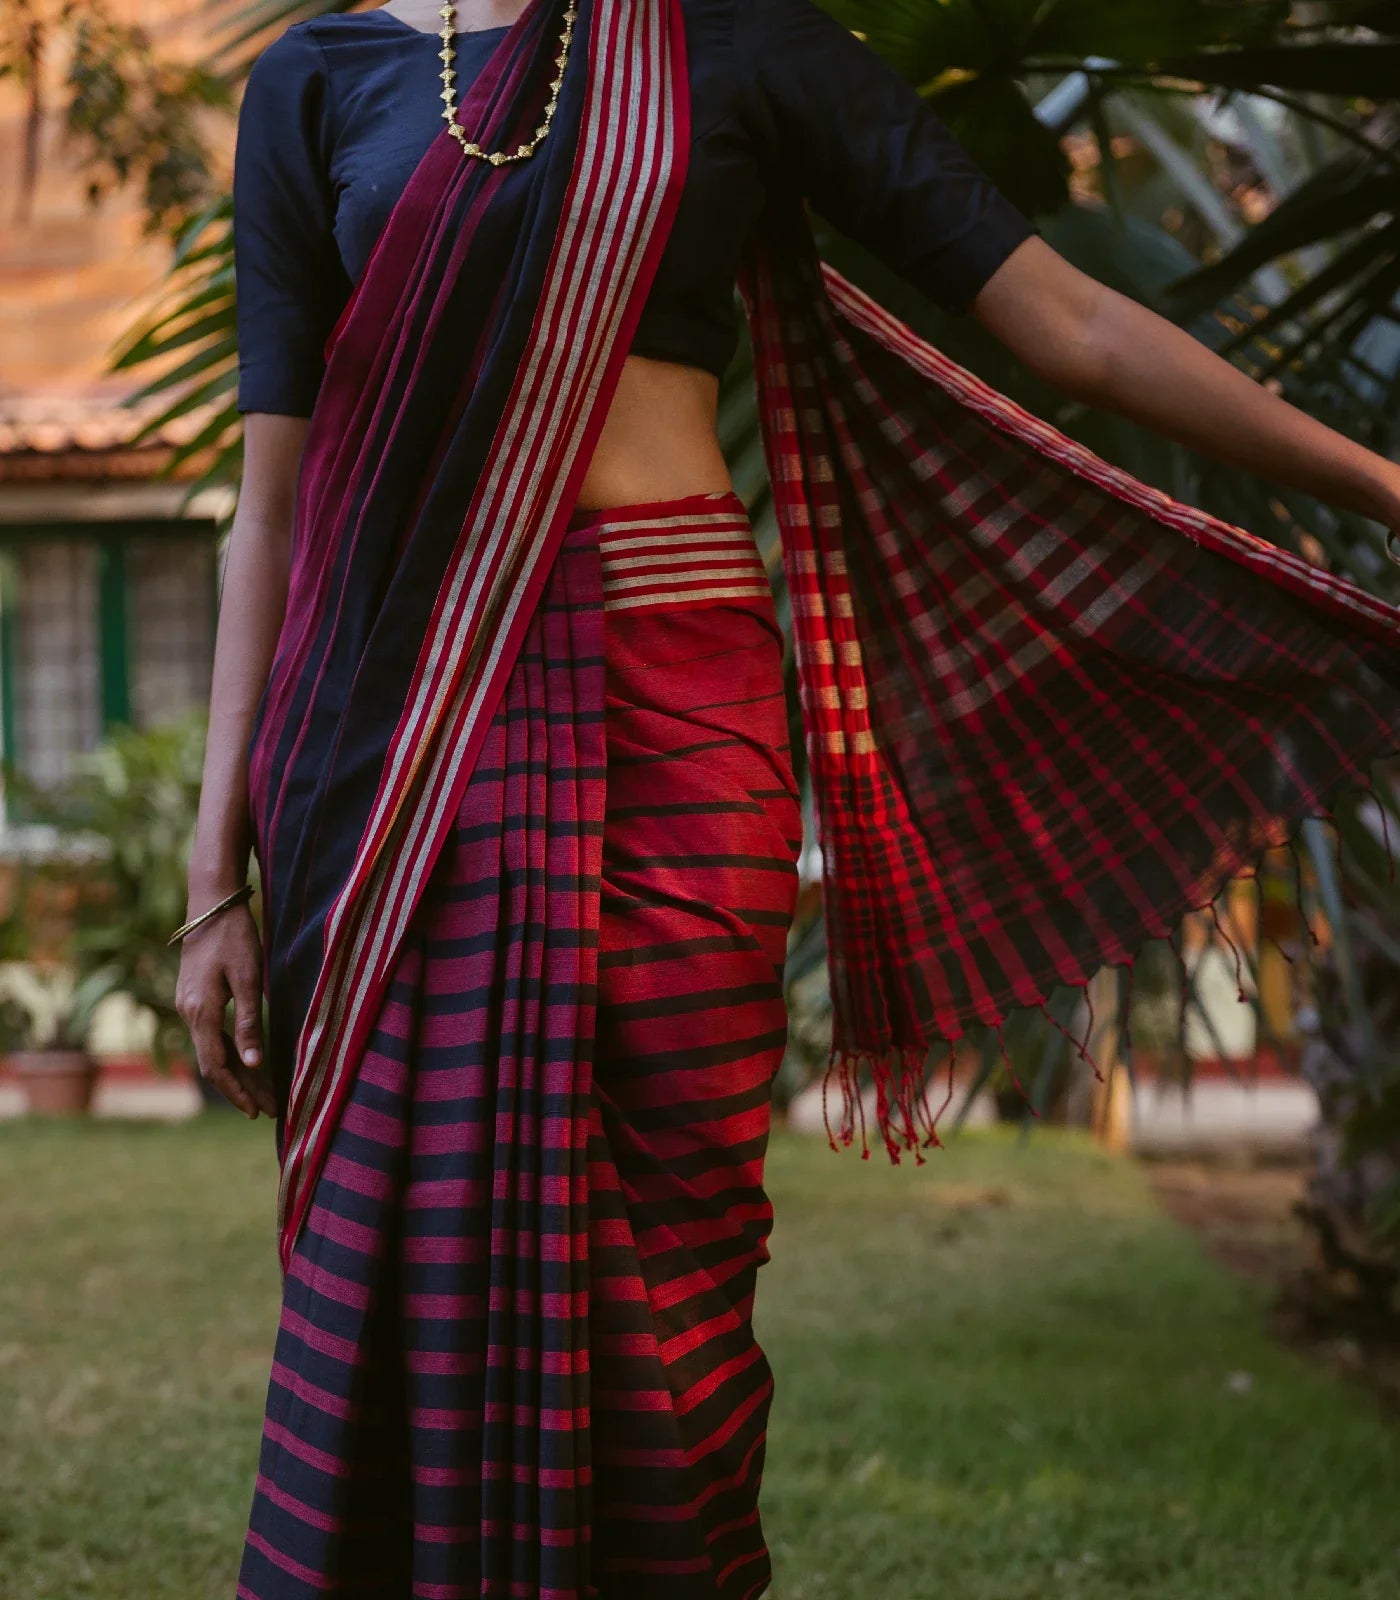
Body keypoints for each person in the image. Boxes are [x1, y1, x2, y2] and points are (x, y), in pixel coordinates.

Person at [174, 0, 1400, 1594]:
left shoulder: (734, 43)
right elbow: (265, 513)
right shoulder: (315, 80)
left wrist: (1382, 482)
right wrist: (219, 874)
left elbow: (1071, 329)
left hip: (675, 709)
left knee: (672, 1256)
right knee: (408, 1259)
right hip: (389, 741)